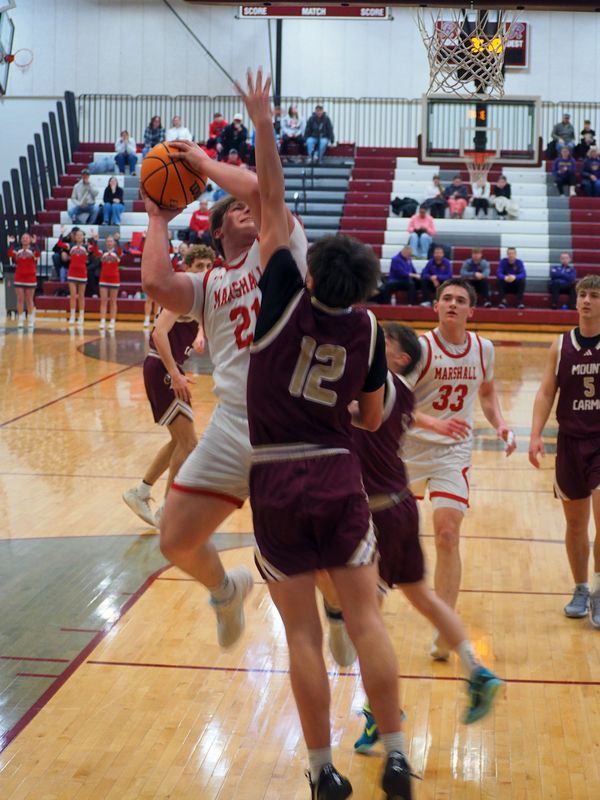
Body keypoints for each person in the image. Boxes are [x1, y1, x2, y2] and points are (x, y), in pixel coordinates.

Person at [240, 67, 412, 800]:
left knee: (305, 635)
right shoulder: (371, 329)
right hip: (340, 475)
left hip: (276, 475)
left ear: (310, 275)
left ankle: (321, 773)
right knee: (367, 620)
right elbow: (372, 419)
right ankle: (399, 755)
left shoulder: (281, 293)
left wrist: (262, 119)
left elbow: (271, 199)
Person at [139, 91, 308, 657]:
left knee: (311, 559)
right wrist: (157, 218)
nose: (246, 210)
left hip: (295, 423)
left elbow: (263, 188)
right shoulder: (210, 283)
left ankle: (339, 606)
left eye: (248, 208)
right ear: (215, 235)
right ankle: (224, 589)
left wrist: (207, 161)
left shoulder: (277, 248)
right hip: (235, 423)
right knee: (176, 538)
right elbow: (158, 285)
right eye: (233, 211)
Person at [346, 324, 503, 753]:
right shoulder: (397, 392)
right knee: (421, 597)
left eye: (386, 344)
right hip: (400, 505)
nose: (377, 346)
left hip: (375, 512)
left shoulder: (369, 391)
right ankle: (476, 671)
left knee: (364, 623)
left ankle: (383, 713)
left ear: (398, 360)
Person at [403, 278, 516, 659]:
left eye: (460, 300)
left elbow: (486, 393)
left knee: (447, 533)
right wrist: (433, 423)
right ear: (435, 306)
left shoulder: (483, 349)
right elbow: (395, 401)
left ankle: (443, 624)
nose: (452, 304)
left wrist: (499, 423)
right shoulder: (419, 348)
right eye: (446, 298)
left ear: (471, 310)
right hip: (408, 450)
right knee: (385, 537)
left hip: (453, 453)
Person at [124, 245, 216, 528]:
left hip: (168, 369)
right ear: (187, 268)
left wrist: (200, 334)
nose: (204, 271)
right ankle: (168, 509)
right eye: (199, 266)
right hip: (162, 369)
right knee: (188, 442)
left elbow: (197, 318)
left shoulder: (196, 294)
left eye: (208, 266)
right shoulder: (182, 292)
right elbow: (159, 332)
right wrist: (175, 373)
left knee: (180, 441)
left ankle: (140, 492)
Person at [529, 275, 600, 630]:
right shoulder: (560, 345)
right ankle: (581, 588)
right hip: (570, 442)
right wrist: (535, 434)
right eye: (582, 295)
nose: (587, 300)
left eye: (594, 295)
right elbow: (545, 393)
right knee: (576, 524)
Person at [7, 232, 39, 329]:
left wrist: (35, 243)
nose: (25, 239)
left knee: (29, 300)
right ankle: (20, 319)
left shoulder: (33, 249)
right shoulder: (17, 250)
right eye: (23, 238)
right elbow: (9, 253)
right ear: (21, 240)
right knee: (20, 299)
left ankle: (30, 319)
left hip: (30, 277)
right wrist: (11, 243)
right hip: (19, 277)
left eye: (26, 238)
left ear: (30, 239)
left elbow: (38, 255)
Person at [67, 228, 99, 326]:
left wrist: (95, 240)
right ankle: (72, 315)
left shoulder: (87, 247)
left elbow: (96, 252)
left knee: (81, 296)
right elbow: (59, 245)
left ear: (83, 237)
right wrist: (62, 234)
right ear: (75, 237)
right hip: (72, 273)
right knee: (73, 295)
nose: (79, 237)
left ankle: (81, 316)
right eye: (78, 235)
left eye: (81, 235)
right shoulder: (71, 246)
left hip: (82, 273)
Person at [98, 234, 123, 331]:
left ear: (114, 243)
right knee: (103, 301)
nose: (109, 243)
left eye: (111, 241)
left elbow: (121, 251)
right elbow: (95, 252)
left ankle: (112, 321)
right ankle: (102, 321)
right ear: (105, 243)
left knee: (113, 301)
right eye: (108, 241)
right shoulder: (102, 253)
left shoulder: (117, 252)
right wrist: (94, 241)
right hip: (103, 279)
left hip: (114, 279)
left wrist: (118, 241)